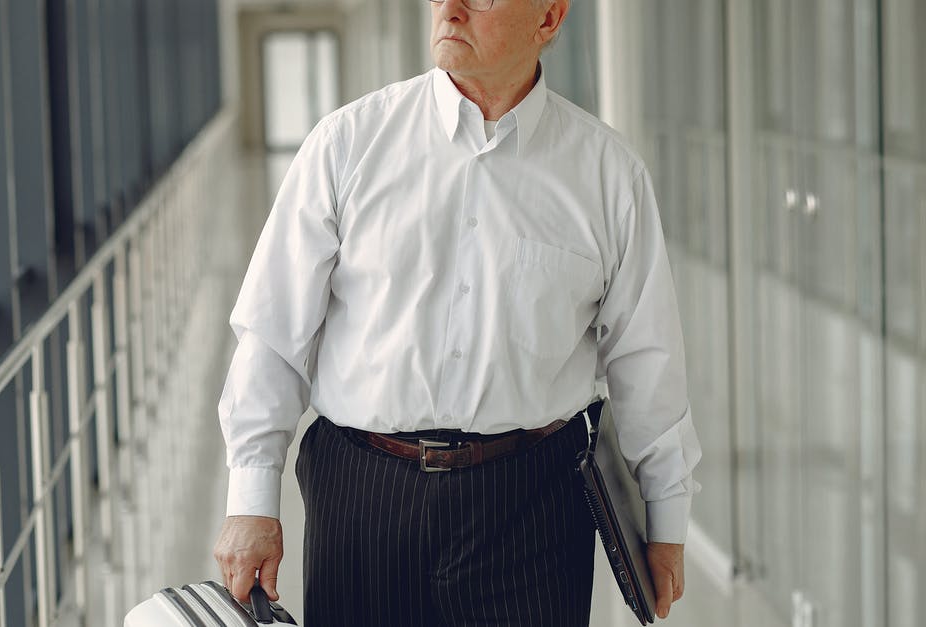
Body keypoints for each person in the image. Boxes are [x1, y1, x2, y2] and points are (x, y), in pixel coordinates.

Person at [214, 0, 702, 624]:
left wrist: (666, 520)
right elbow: (272, 336)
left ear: (549, 19)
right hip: (365, 496)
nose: (449, 8)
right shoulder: (348, 144)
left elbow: (647, 362)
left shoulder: (608, 176)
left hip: (532, 507)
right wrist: (251, 498)